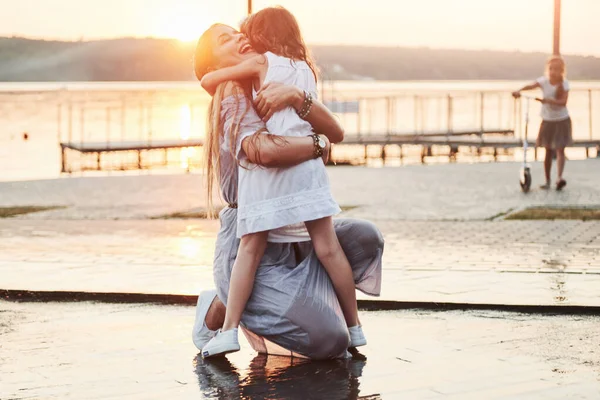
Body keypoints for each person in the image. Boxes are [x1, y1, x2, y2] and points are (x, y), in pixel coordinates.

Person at [191, 23, 383, 360]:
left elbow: (336, 131)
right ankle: (219, 308)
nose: (239, 37)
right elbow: (261, 149)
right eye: (226, 39)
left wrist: (297, 96)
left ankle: (263, 300)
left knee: (365, 237)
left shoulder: (269, 78)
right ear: (215, 66)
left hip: (291, 229)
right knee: (329, 341)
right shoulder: (230, 96)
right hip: (250, 236)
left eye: (238, 32)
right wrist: (315, 144)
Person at [512, 55, 572, 190]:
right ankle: (547, 180)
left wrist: (548, 101)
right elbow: (531, 85)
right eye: (551, 69)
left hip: (562, 120)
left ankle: (559, 178)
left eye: (556, 69)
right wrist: (519, 91)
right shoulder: (544, 81)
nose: (553, 72)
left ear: (561, 70)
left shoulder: (564, 84)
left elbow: (563, 102)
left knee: (560, 149)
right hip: (547, 120)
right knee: (547, 151)